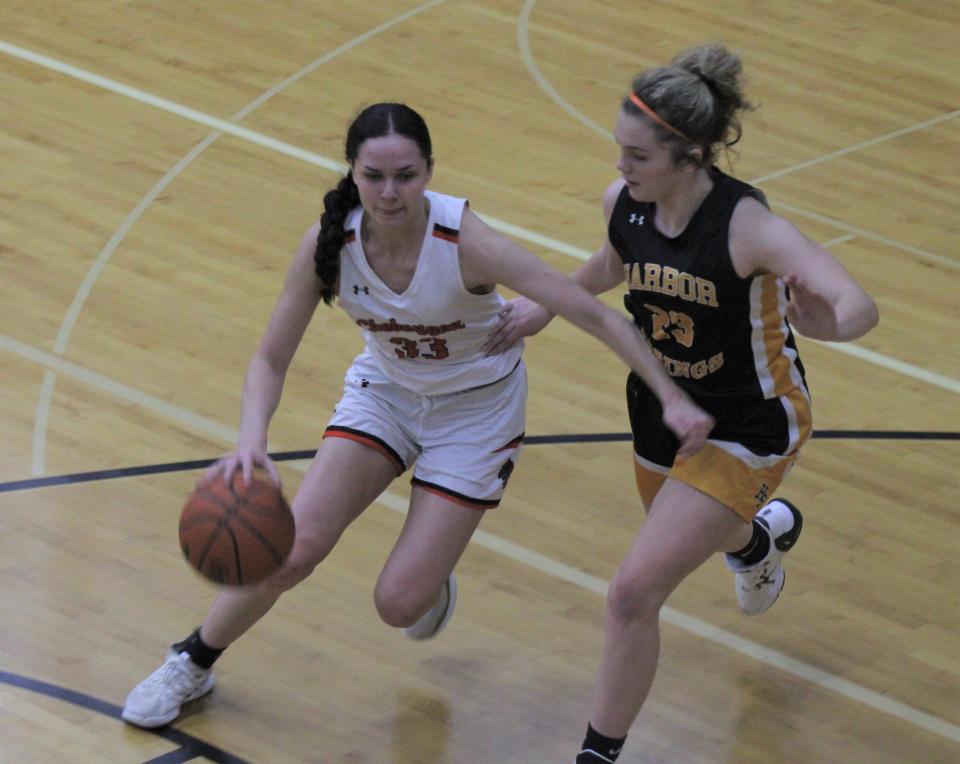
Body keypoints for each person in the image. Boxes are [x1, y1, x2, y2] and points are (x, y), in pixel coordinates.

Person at [121, 102, 713, 729]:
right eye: (374, 176)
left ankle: (430, 576)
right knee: (291, 550)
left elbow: (592, 313)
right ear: (352, 172)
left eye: (405, 175)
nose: (389, 192)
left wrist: (670, 395)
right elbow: (269, 359)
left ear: (430, 171)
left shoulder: (466, 241)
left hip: (475, 415)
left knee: (399, 604)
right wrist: (251, 443)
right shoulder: (330, 244)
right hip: (385, 396)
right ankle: (192, 660)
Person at [484, 44, 879, 763]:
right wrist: (543, 310)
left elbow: (858, 303)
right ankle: (757, 543)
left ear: (690, 156)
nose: (620, 169)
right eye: (619, 151)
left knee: (633, 592)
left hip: (747, 420)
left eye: (636, 157)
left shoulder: (746, 227)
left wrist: (830, 323)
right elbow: (613, 263)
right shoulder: (624, 206)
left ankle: (595, 755)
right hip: (663, 407)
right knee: (692, 536)